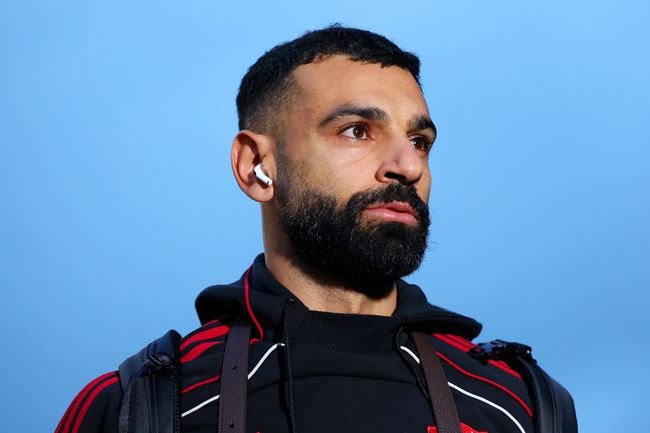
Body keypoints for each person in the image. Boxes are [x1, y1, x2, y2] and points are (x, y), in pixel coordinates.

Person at [56, 26, 573, 433]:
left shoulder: (519, 403)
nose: (408, 166)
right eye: (357, 131)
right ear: (256, 166)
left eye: (419, 141)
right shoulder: (142, 405)